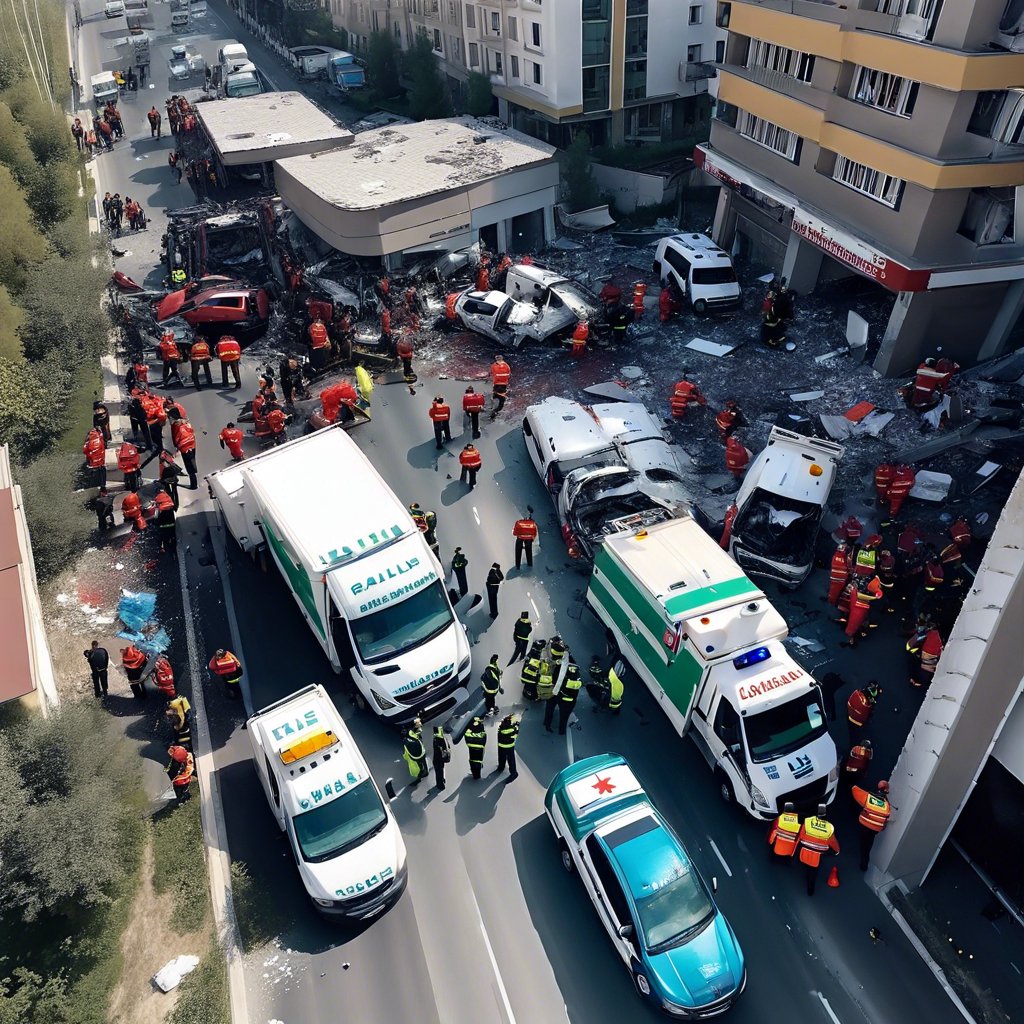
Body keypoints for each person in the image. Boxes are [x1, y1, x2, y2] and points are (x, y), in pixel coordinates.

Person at [796, 804, 840, 896]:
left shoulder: (808, 821)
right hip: (816, 855)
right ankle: (810, 889)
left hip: (805, 850)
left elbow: (801, 835)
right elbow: (832, 841)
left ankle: (807, 875)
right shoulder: (829, 828)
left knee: (807, 866)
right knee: (813, 871)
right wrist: (837, 850)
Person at [851, 780, 891, 871]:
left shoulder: (868, 797)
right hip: (875, 829)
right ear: (887, 791)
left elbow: (854, 789)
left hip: (865, 825)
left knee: (863, 842)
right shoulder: (887, 805)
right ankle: (864, 863)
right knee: (868, 844)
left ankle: (863, 853)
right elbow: (886, 819)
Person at [558, 661, 583, 735]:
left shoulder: (565, 679)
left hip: (562, 700)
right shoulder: (578, 682)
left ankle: (561, 731)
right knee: (566, 715)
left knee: (562, 715)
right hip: (571, 701)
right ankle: (562, 730)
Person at [402, 719, 428, 785]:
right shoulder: (413, 733)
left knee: (418, 765)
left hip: (415, 755)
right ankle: (425, 771)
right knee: (423, 761)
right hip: (421, 751)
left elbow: (407, 750)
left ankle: (419, 777)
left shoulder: (406, 740)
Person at [83, 428, 108, 493]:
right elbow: (103, 447)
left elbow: (85, 451)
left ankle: (93, 489)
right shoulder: (100, 439)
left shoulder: (88, 441)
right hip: (101, 462)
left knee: (93, 478)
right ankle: (103, 489)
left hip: (92, 463)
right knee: (102, 473)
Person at [496, 714, 520, 781]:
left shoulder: (501, 727)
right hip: (509, 746)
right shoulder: (513, 728)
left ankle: (501, 767)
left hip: (501, 745)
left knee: (502, 757)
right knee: (511, 760)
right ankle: (513, 773)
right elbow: (515, 736)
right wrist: (516, 727)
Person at [154, 485, 177, 553]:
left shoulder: (157, 497)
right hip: (170, 518)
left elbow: (156, 510)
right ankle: (173, 545)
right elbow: (173, 505)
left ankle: (162, 547)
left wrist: (156, 521)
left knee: (162, 535)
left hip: (163, 520)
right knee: (172, 534)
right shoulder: (167, 496)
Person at [432, 725, 450, 791]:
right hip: (441, 758)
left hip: (437, 758)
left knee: (438, 771)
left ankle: (440, 785)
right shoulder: (442, 738)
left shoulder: (437, 740)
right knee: (441, 769)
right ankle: (442, 780)